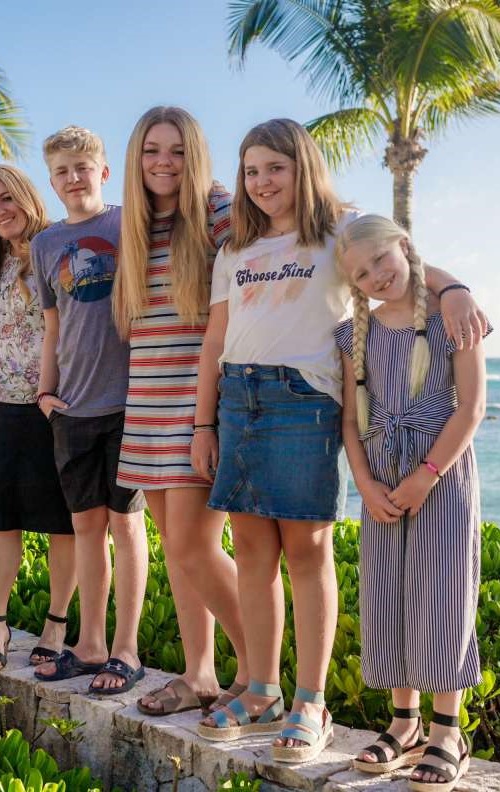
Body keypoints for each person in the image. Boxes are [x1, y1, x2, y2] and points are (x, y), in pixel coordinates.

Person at [191, 118, 485, 762]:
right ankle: (262, 687)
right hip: (240, 399)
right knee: (253, 550)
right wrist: (203, 421)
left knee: (306, 550)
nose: (263, 181)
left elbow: (398, 263)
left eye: (276, 167)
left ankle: (311, 701)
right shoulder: (233, 250)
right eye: (252, 171)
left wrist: (456, 286)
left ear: (302, 167)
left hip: (305, 402)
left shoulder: (334, 232)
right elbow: (216, 339)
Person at [335, 214, 485, 791]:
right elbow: (350, 420)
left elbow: (470, 407)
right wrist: (366, 486)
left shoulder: (452, 317)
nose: (377, 276)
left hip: (439, 475)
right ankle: (406, 722)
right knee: (390, 591)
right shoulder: (353, 334)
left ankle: (449, 730)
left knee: (442, 590)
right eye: (362, 272)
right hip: (380, 477)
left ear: (405, 247)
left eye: (382, 260)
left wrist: (426, 475)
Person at [111, 106, 249, 716]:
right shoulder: (134, 226)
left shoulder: (218, 210)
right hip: (146, 404)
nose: (163, 163)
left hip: (199, 405)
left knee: (196, 548)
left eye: (176, 151)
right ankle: (200, 676)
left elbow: (302, 240)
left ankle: (263, 674)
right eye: (151, 150)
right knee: (179, 552)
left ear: (195, 157)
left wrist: (444, 285)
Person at [31, 125, 148, 694]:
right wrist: (46, 395)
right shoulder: (46, 244)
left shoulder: (129, 223)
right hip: (72, 408)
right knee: (86, 529)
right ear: (51, 181)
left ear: (103, 172)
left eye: (82, 167)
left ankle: (127, 649)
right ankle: (90, 643)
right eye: (61, 171)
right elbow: (53, 326)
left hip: (130, 403)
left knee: (126, 525)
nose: (73, 178)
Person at [0, 164, 76, 671]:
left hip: (60, 402)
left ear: (27, 196)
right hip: (3, 401)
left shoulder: (57, 246)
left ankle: (57, 624)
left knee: (65, 523)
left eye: (6, 198)